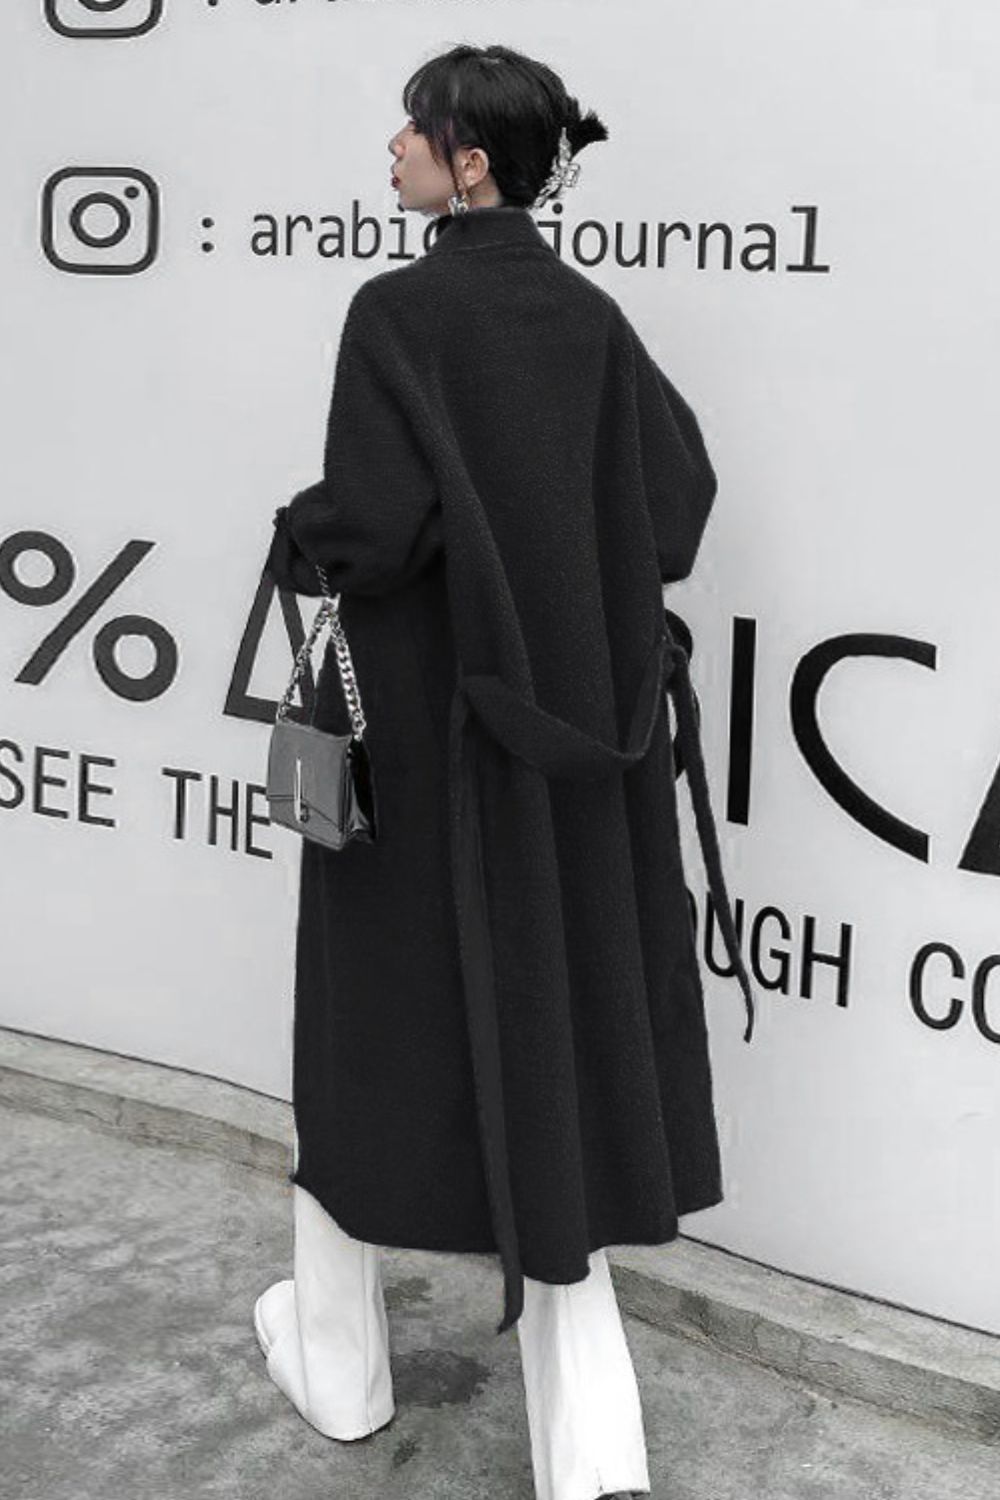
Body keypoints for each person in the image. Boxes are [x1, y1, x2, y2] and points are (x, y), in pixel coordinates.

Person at [255, 42, 757, 1500]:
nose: (393, 149)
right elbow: (675, 506)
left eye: (413, 130)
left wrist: (299, 531)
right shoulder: (591, 318)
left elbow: (373, 525)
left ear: (470, 162)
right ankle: (591, 1453)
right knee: (558, 1042)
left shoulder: (397, 310)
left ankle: (339, 1369)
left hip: (424, 745)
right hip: (578, 749)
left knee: (364, 1028)